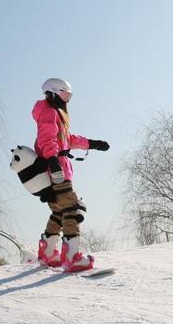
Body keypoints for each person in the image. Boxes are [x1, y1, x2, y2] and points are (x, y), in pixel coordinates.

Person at [33, 78, 110, 272]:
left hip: (58, 167)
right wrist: (53, 162)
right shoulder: (49, 112)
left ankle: (48, 252)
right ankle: (72, 256)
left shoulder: (55, 113)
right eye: (65, 94)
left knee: (59, 210)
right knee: (71, 209)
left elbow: (66, 139)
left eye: (69, 96)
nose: (67, 99)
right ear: (54, 92)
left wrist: (92, 143)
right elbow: (47, 138)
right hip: (56, 168)